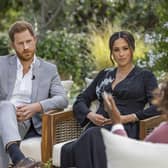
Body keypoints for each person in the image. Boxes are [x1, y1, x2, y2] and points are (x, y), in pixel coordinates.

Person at [60, 31, 160, 168]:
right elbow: (81, 99)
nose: (121, 54)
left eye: (125, 48)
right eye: (116, 50)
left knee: (90, 137)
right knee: (83, 140)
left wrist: (126, 118)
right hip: (97, 127)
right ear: (112, 53)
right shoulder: (104, 74)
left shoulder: (145, 76)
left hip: (124, 129)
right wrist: (90, 115)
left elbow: (158, 106)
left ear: (132, 49)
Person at [0, 20, 68, 168]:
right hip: (2, 114)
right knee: (5, 106)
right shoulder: (2, 64)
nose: (26, 47)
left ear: (35, 40)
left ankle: (17, 158)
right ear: (13, 45)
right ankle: (19, 160)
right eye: (20, 43)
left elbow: (62, 99)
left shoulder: (49, 70)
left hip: (23, 122)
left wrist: (36, 107)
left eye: (29, 41)